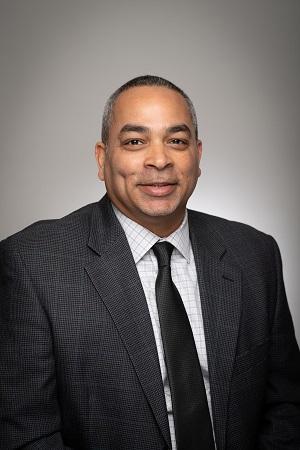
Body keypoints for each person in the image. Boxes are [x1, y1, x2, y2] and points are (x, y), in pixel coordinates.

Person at [0, 75, 300, 450]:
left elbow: (286, 407)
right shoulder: (33, 264)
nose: (159, 160)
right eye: (135, 141)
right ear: (102, 157)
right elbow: (27, 435)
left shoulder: (255, 254)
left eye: (177, 141)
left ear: (198, 156)